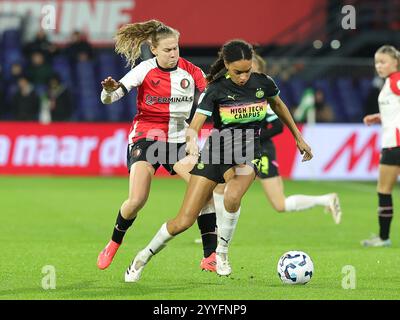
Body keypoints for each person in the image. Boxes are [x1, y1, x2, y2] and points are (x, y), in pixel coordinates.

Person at [124, 39, 313, 282]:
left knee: (233, 196)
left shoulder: (264, 84)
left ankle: (221, 253)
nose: (244, 77)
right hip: (216, 153)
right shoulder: (215, 89)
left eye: (247, 71)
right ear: (226, 65)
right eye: (238, 72)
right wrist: (191, 141)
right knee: (184, 221)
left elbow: (279, 106)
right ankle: (142, 257)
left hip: (248, 152)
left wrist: (298, 137)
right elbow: (195, 124)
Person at [97, 20, 218, 272]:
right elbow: (112, 96)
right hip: (147, 137)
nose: (173, 54)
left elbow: (211, 95)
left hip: (177, 140)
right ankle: (113, 242)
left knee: (204, 192)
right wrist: (109, 91)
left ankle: (210, 256)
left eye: (176, 48)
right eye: (167, 50)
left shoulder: (191, 71)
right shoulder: (144, 70)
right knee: (137, 200)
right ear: (154, 50)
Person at [211, 54, 342, 226]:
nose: (245, 74)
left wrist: (254, 138)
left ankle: (325, 199)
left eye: (251, 70)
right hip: (241, 149)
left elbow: (278, 126)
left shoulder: (260, 99)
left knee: (279, 204)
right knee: (219, 186)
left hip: (261, 151)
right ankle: (216, 230)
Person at [361, 45, 400, 247]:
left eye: (383, 61)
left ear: (395, 62)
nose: (379, 66)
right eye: (377, 62)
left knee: (384, 190)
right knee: (384, 190)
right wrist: (380, 117)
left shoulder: (396, 81)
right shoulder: (389, 83)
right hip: (393, 144)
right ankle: (383, 237)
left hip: (395, 146)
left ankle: (384, 238)